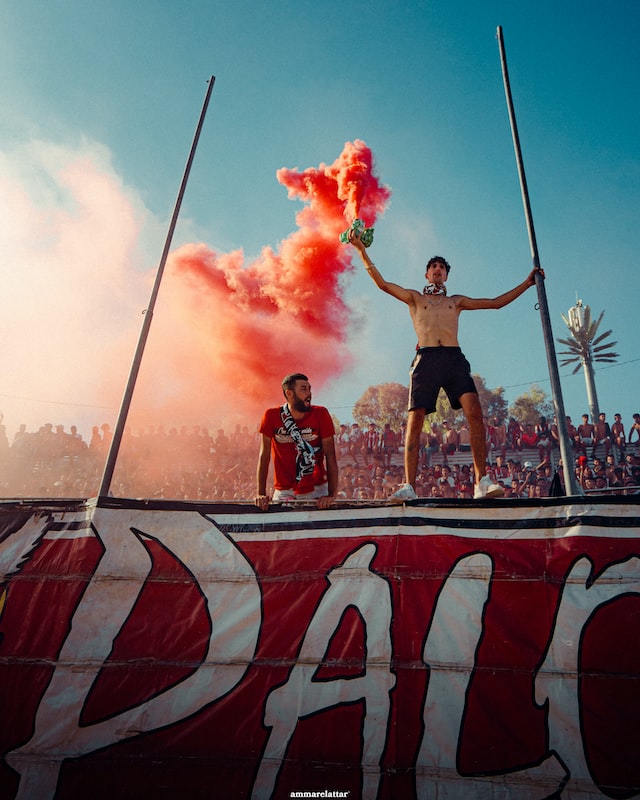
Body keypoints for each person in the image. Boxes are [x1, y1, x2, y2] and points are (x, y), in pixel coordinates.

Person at [350, 232, 542, 500]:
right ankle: (409, 485)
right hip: (426, 358)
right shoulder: (415, 298)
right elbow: (382, 284)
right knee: (415, 420)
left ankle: (481, 481)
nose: (438, 269)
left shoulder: (456, 301)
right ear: (427, 274)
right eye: (434, 267)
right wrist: (361, 250)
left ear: (446, 276)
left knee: (474, 412)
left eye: (442, 267)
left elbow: (495, 303)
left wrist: (527, 284)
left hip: (453, 358)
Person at [255, 373, 338, 510]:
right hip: (284, 491)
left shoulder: (321, 414)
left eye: (309, 389)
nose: (309, 393)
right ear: (289, 393)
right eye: (303, 389)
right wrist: (261, 494)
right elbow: (264, 456)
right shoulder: (271, 416)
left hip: (317, 490)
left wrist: (331, 495)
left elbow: (330, 455)